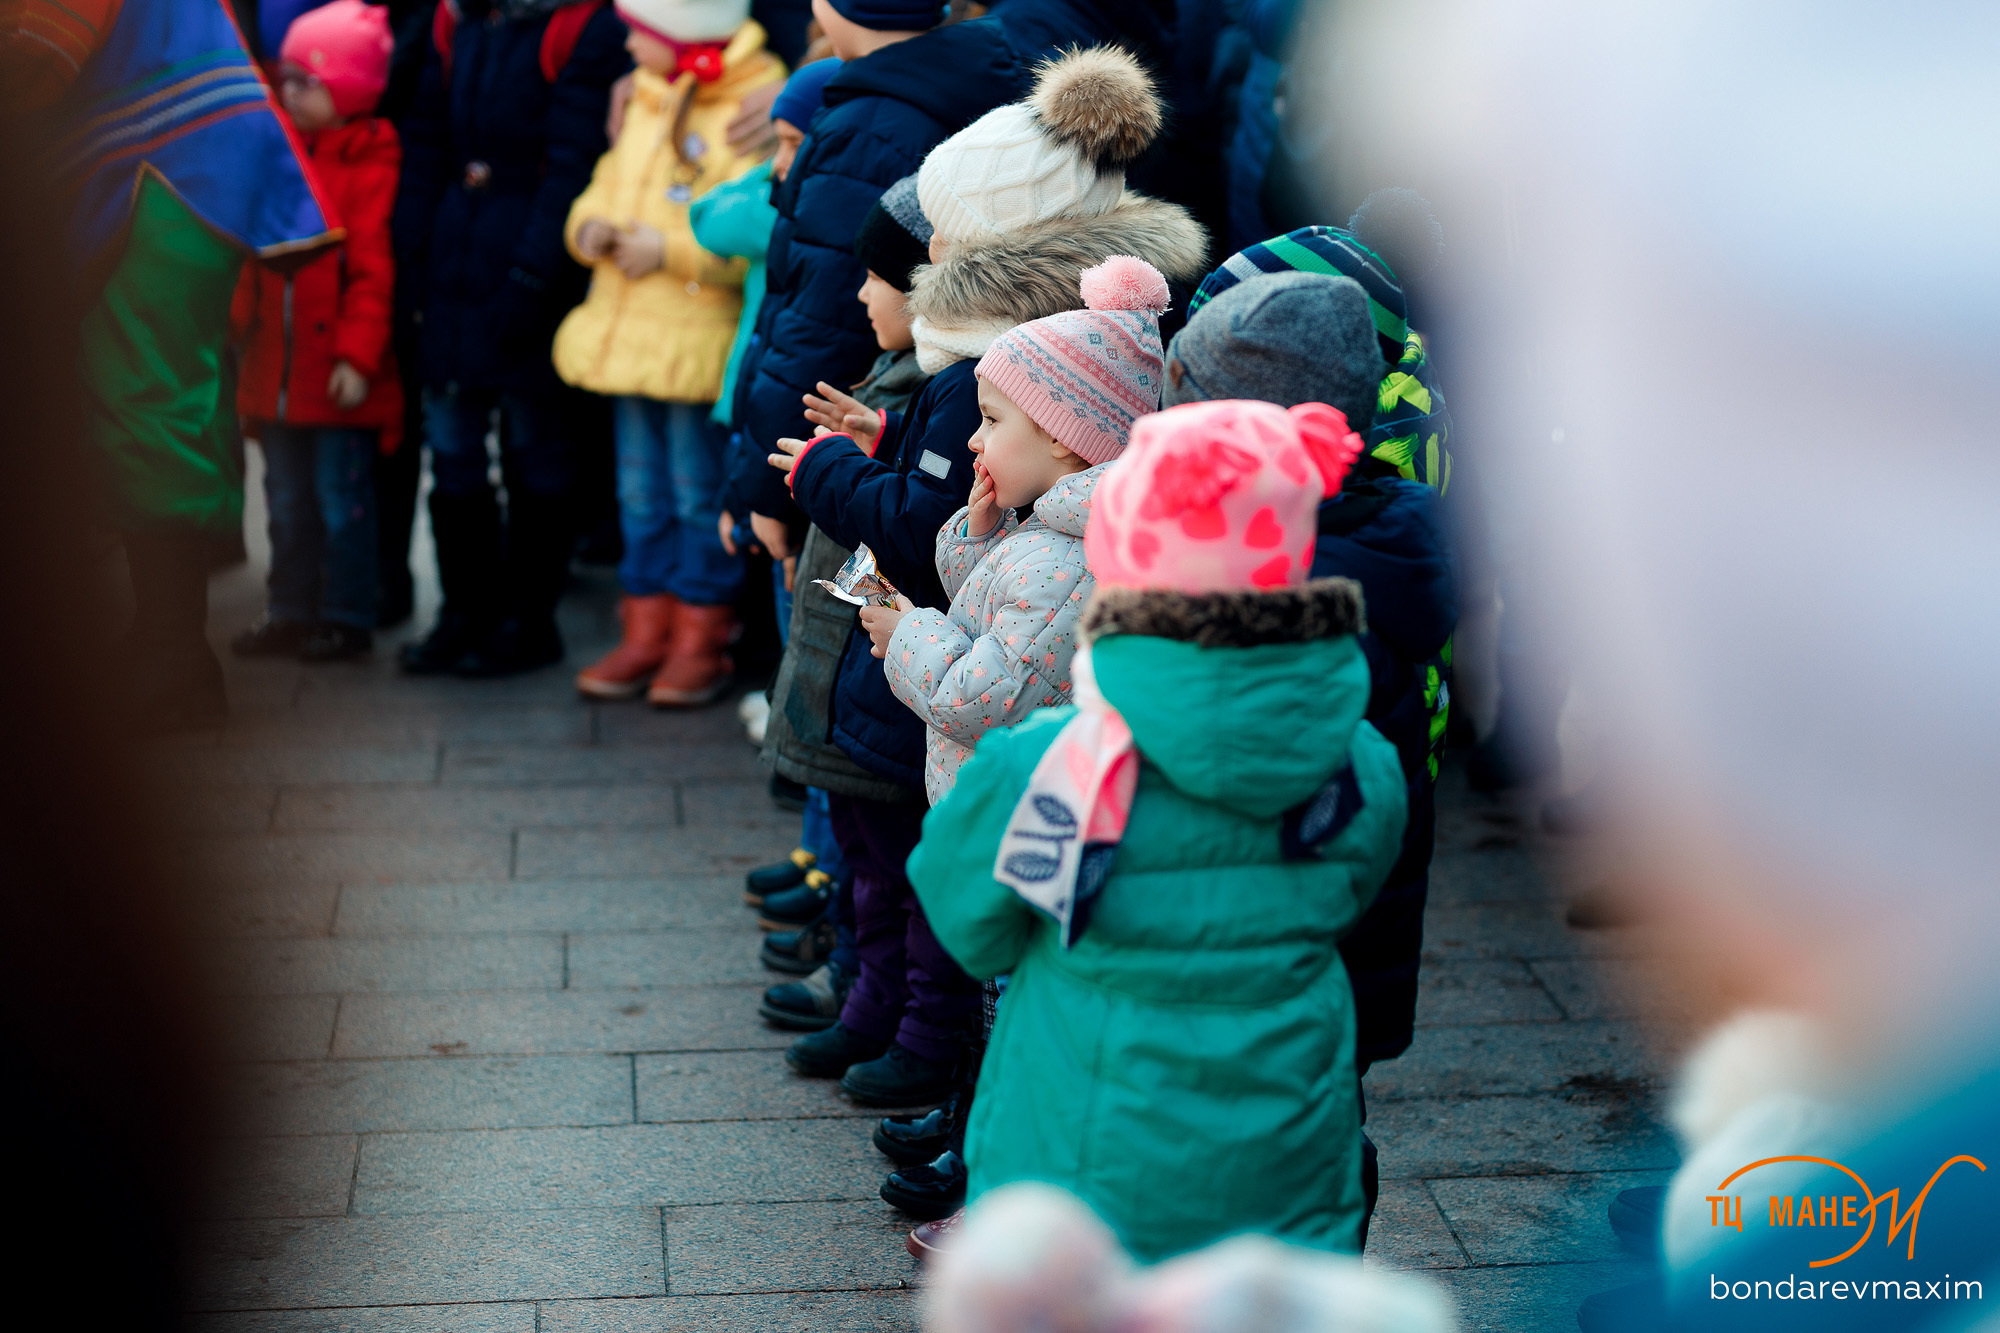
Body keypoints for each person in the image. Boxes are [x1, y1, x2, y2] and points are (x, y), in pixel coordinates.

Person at [907, 398, 1408, 1262]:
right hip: (1286, 1159)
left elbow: (969, 923)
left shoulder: (1047, 762)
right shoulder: (1361, 762)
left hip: (1079, 1162)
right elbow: (1350, 899)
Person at [1165, 259, 1458, 1245]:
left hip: (1292, 925)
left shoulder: (1288, 583)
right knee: (1326, 1109)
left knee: (1286, 1134)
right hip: (1354, 920)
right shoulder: (1385, 538)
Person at [38, 0, 336, 728]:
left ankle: (173, 656)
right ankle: (159, 641)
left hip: (162, 155)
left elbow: (43, 44)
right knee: (146, 396)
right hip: (169, 149)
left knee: (144, 399)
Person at [720, 0, 1022, 553]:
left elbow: (821, 319)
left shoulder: (872, 125)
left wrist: (766, 487)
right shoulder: (946, 82)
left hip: (837, 450)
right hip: (877, 428)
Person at [871, 255, 1170, 804]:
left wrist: (908, 635)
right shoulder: (1054, 526)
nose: (973, 440)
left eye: (992, 419)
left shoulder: (1073, 566)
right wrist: (981, 536)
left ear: (1060, 435)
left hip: (1008, 820)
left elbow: (984, 702)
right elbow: (989, 608)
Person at [392, 0, 630, 677]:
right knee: (454, 446)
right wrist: (409, 257)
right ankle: (461, 613)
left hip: (529, 267)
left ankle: (528, 620)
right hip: (452, 260)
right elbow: (428, 142)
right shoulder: (454, 17)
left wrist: (532, 276)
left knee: (535, 449)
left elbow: (571, 162)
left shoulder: (578, 24)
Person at [559, 0, 785, 705]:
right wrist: (588, 225)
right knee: (638, 490)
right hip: (631, 337)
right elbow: (604, 182)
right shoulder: (646, 97)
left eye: (639, 27)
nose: (625, 39)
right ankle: (645, 630)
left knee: (694, 494)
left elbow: (753, 227)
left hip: (693, 340)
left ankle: (699, 638)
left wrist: (669, 249)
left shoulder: (749, 107)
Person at [753, 174, 934, 1029]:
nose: (861, 293)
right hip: (860, 681)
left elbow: (915, 522)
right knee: (866, 852)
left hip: (886, 687)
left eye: (879, 277)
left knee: (888, 862)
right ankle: (863, 988)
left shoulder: (935, 384)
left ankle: (883, 1009)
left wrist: (834, 465)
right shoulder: (901, 379)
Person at [231, 0, 403, 664]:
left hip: (333, 372)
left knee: (340, 502)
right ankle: (289, 608)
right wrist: (234, 330)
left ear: (350, 88)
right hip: (275, 368)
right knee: (284, 501)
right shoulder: (276, 154)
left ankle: (345, 611)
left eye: (308, 81)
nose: (289, 91)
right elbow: (252, 255)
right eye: (288, 78)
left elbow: (371, 270)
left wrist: (358, 357)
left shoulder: (369, 160)